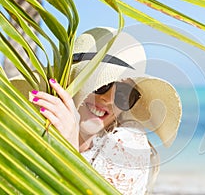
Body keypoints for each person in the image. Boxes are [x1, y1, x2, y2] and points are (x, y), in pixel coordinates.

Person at [15, 27, 182, 194]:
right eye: (102, 85)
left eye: (123, 94)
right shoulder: (24, 133)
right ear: (69, 81)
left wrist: (69, 154)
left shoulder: (126, 146)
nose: (108, 99)